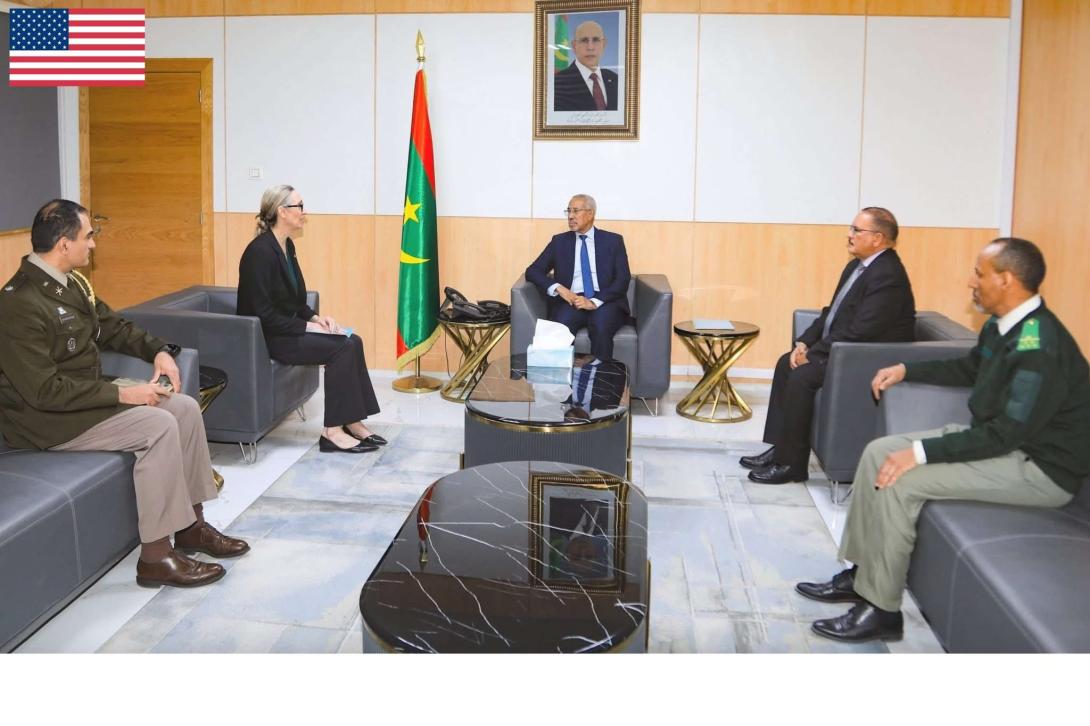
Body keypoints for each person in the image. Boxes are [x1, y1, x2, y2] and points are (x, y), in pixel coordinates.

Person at [796, 238, 1090, 643]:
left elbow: (1006, 434)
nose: (971, 282)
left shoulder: (1040, 346)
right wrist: (906, 369)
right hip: (1002, 446)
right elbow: (969, 369)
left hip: (1038, 469)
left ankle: (881, 610)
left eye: (979, 274)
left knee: (901, 478)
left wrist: (919, 454)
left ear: (1006, 280)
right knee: (878, 452)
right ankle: (862, 574)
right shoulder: (1003, 325)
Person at [0, 199, 249, 588]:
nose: (93, 244)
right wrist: (124, 396)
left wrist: (159, 351)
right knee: (157, 425)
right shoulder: (19, 303)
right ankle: (156, 557)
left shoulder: (70, 283)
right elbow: (44, 392)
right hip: (46, 421)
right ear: (64, 244)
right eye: (88, 236)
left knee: (184, 408)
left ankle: (191, 527)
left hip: (82, 401)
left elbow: (113, 327)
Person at [744, 207, 916, 484]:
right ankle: (781, 449)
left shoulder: (888, 276)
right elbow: (831, 313)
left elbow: (861, 331)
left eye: (856, 230)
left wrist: (813, 356)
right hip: (844, 350)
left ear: (877, 238)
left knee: (802, 376)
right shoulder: (857, 267)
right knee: (785, 363)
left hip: (865, 359)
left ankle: (792, 466)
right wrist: (804, 343)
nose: (849, 234)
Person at [237, 184, 384, 454]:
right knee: (341, 348)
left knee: (353, 340)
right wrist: (308, 326)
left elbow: (294, 300)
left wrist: (317, 318)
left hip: (287, 329)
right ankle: (332, 432)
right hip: (268, 338)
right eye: (300, 206)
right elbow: (263, 315)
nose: (304, 212)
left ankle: (351, 420)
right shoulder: (259, 253)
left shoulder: (286, 245)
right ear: (282, 211)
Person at [526, 195, 631, 360]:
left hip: (605, 301)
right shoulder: (559, 242)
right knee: (560, 326)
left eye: (576, 211)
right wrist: (559, 289)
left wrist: (594, 302)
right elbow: (533, 271)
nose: (570, 216)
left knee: (601, 325)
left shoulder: (613, 241)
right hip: (572, 300)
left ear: (590, 213)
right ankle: (562, 376)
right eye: (568, 211)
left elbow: (622, 280)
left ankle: (599, 375)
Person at [554, 20, 619, 112]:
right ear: (574, 46)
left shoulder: (616, 80)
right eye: (584, 40)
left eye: (596, 40)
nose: (590, 47)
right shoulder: (558, 83)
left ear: (603, 44)